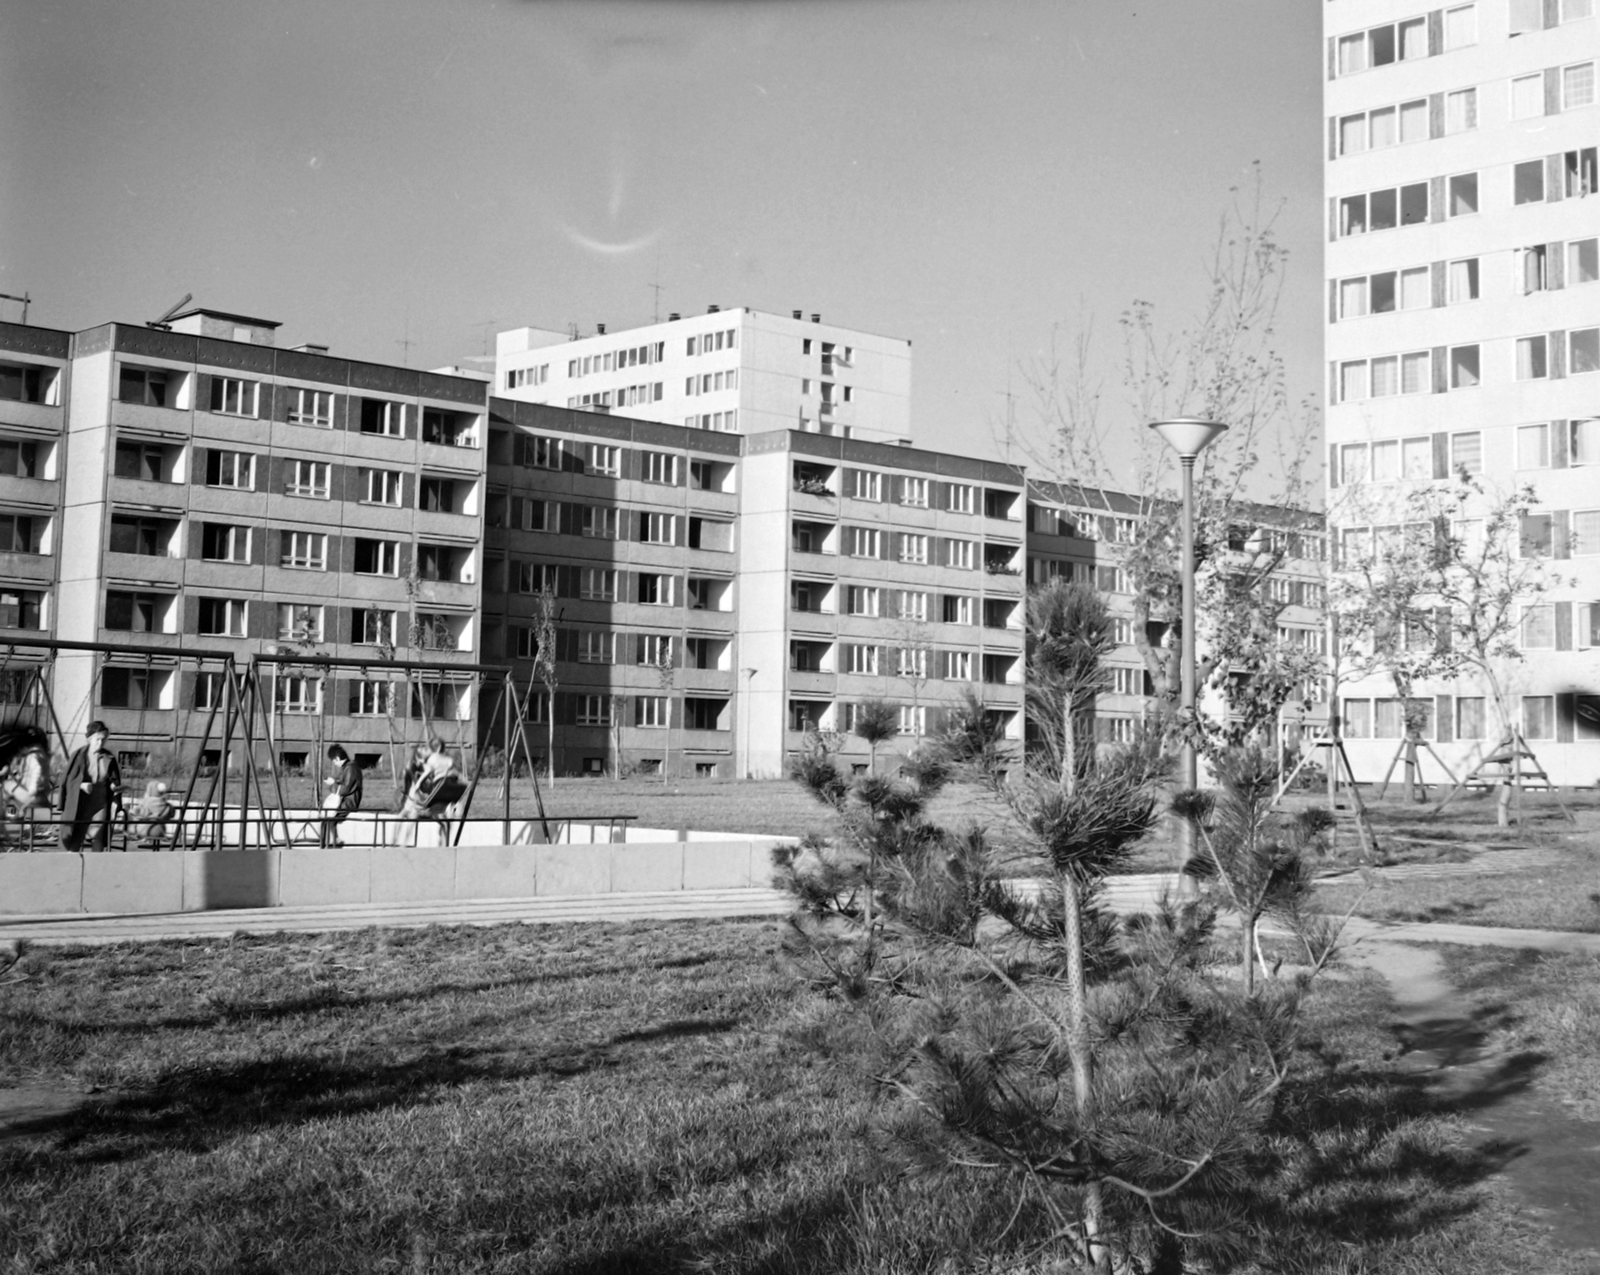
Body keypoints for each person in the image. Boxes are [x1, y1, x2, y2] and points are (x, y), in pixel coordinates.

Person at [59, 721, 123, 852]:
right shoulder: (78, 756)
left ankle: (96, 865)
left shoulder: (108, 757)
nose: (101, 743)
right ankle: (71, 865)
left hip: (100, 802)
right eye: (97, 739)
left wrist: (115, 788)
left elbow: (112, 780)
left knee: (98, 836)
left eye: (104, 739)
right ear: (89, 739)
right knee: (76, 836)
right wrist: (81, 785)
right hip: (80, 803)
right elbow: (68, 780)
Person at [320, 745, 362, 848]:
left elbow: (345, 788)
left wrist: (332, 784)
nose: (334, 763)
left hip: (349, 802)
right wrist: (334, 781)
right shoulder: (349, 767)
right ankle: (333, 841)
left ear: (338, 758)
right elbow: (344, 783)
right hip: (347, 800)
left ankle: (332, 842)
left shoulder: (351, 768)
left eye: (334, 761)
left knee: (329, 819)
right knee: (326, 819)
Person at [133, 780, 174, 849]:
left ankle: (136, 836)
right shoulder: (166, 803)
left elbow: (142, 813)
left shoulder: (147, 802)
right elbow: (172, 814)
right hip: (161, 831)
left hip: (147, 831)